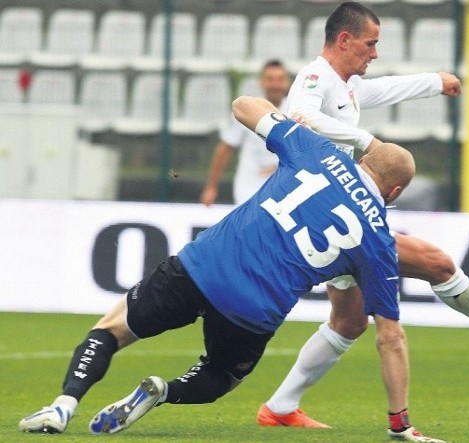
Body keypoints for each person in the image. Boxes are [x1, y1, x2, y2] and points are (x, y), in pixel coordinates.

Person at [18, 95, 444, 440]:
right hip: (254, 310)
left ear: (364, 159)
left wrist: (296, 126)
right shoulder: (379, 240)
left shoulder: (315, 151)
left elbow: (243, 104)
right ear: (395, 190)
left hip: (202, 267)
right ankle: (163, 391)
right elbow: (391, 337)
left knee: (112, 329)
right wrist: (398, 421)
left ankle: (63, 405)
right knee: (221, 375)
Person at [256, 2, 469, 441]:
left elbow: (382, 90)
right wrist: (368, 142)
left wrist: (433, 82)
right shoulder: (315, 77)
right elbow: (299, 116)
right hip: (329, 213)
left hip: (332, 211)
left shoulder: (346, 84)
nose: (374, 52)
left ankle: (280, 407)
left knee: (348, 321)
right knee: (435, 263)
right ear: (344, 40)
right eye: (370, 43)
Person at [200, 59, 290, 206]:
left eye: (280, 79)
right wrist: (211, 187)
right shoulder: (247, 110)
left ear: (287, 82)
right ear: (261, 82)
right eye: (270, 79)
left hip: (284, 186)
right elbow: (225, 148)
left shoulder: (295, 111)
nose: (275, 84)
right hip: (249, 186)